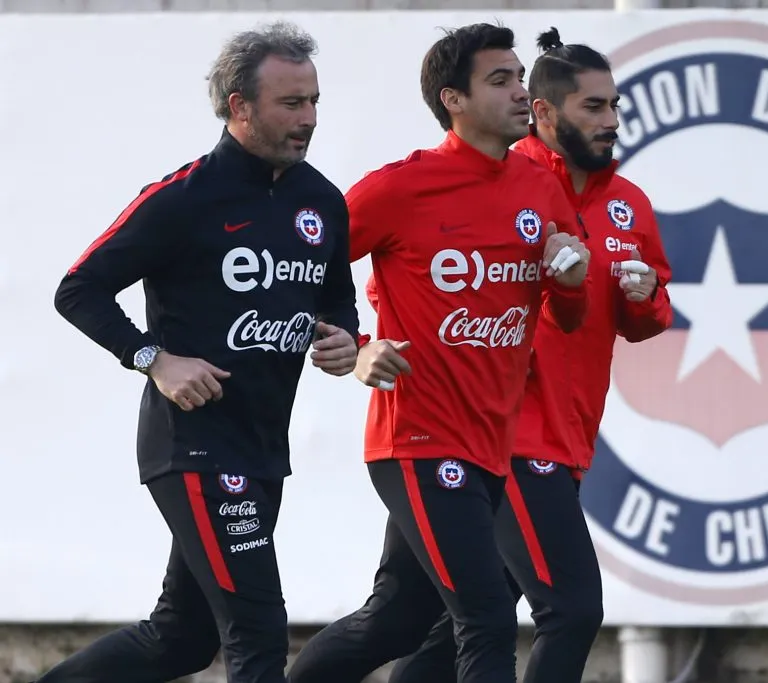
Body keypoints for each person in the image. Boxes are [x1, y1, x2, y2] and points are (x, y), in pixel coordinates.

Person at [38, 21, 360, 683]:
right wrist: (153, 357)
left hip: (263, 444)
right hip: (193, 444)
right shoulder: (184, 197)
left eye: (315, 101)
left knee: (180, 638)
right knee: (259, 628)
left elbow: (338, 301)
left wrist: (342, 338)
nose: (310, 118)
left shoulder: (321, 201)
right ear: (240, 106)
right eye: (292, 103)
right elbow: (79, 288)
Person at [285, 22, 591, 683]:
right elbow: (297, 270)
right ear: (454, 99)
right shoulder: (402, 186)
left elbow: (567, 315)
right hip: (419, 441)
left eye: (521, 77)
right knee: (486, 617)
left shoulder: (540, 188)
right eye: (501, 79)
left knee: (395, 620)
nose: (521, 92)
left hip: (491, 445)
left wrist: (569, 282)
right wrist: (358, 347)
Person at [386, 27, 674, 683]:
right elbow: (404, 268)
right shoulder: (505, 184)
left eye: (614, 106)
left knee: (423, 629)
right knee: (569, 609)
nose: (612, 122)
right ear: (543, 112)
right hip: (505, 432)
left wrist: (646, 292)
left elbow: (647, 319)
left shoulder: (628, 204)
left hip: (565, 435)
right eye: (593, 107)